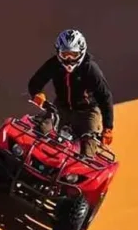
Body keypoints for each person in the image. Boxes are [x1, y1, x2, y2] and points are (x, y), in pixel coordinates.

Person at [27, 28, 114, 157]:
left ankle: (75, 175)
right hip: (60, 108)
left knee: (88, 150)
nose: (68, 59)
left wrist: (108, 127)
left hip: (87, 112)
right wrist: (37, 94)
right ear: (58, 52)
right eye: (64, 54)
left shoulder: (90, 69)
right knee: (39, 130)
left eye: (73, 54)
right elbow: (35, 82)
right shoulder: (54, 64)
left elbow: (105, 97)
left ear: (81, 52)